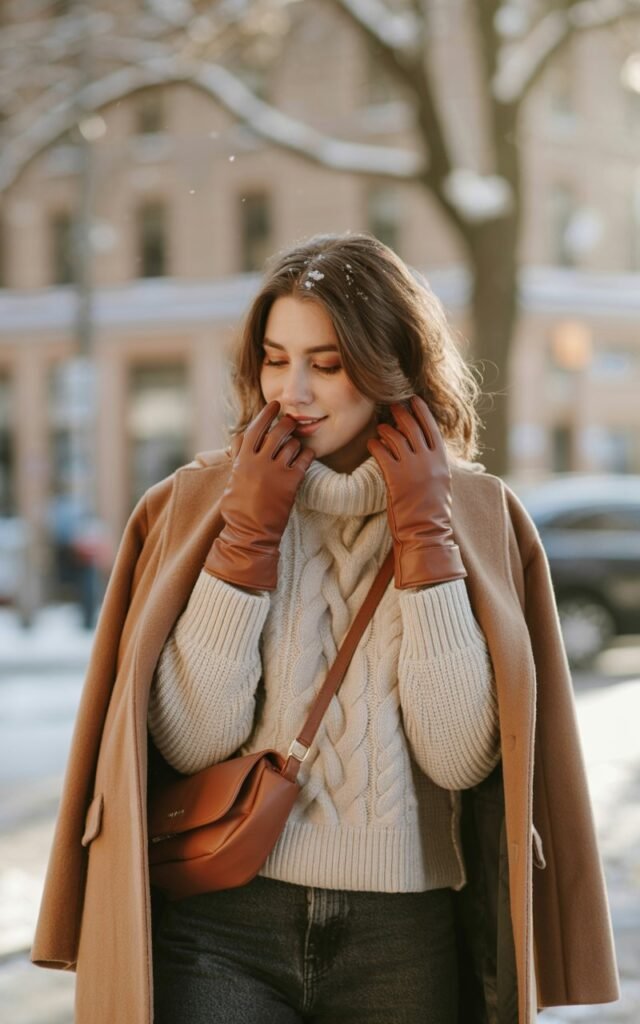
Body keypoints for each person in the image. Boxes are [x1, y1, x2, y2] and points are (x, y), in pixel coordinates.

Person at [31, 233, 619, 1024]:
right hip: (221, 922)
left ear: (392, 365)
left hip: (404, 939)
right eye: (275, 359)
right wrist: (248, 541)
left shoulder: (480, 519)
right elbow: (190, 741)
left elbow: (457, 755)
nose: (292, 391)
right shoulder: (198, 504)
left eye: (328, 363)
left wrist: (425, 540)